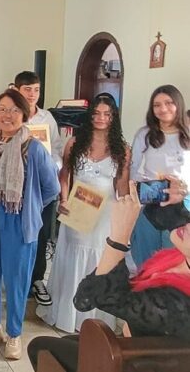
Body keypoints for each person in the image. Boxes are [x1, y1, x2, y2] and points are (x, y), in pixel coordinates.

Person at [28, 180, 190, 372]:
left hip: (141, 361)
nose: (186, 225)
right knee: (68, 341)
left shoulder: (178, 302)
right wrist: (171, 198)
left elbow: (86, 299)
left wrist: (118, 239)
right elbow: (171, 218)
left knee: (40, 347)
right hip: (144, 349)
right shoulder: (182, 257)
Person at [0, 90, 59, 360]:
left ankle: (14, 333)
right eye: (2, 109)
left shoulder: (33, 148)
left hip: (19, 222)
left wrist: (29, 207)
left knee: (16, 280)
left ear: (23, 114)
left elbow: (51, 188)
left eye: (13, 110)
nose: (7, 115)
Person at [38, 93, 130, 333]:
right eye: (97, 113)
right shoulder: (74, 143)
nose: (101, 118)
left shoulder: (123, 149)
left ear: (113, 118)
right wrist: (64, 198)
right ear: (90, 116)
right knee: (74, 256)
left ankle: (96, 319)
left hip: (105, 213)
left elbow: (121, 187)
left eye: (106, 114)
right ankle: (69, 315)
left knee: (99, 259)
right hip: (78, 208)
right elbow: (65, 175)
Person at [14, 71, 64, 306]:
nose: (32, 94)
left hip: (40, 188)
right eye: (27, 89)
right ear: (17, 90)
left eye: (36, 89)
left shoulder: (47, 119)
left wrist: (49, 167)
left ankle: (36, 279)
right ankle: (15, 280)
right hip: (14, 187)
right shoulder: (12, 115)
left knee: (40, 234)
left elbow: (56, 149)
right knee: (16, 235)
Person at [130, 85, 190, 266]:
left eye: (169, 103)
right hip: (152, 207)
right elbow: (133, 169)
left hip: (182, 208)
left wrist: (183, 190)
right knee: (145, 264)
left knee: (174, 266)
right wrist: (143, 188)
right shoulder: (144, 134)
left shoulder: (187, 134)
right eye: (157, 105)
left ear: (178, 104)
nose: (163, 109)